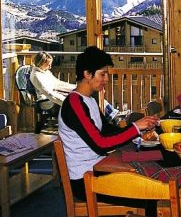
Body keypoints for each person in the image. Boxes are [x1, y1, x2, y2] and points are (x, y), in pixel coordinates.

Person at [58, 46, 159, 199]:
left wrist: (140, 128)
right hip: (86, 179)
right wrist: (135, 128)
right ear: (87, 74)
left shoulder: (89, 100)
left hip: (101, 165)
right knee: (149, 187)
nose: (106, 79)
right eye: (102, 74)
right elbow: (101, 144)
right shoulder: (74, 104)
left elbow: (107, 131)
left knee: (156, 156)